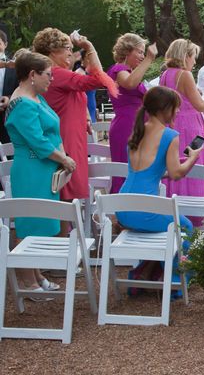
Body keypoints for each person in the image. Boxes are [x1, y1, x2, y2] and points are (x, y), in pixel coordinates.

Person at [117, 86, 204, 291]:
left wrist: (173, 163)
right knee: (186, 227)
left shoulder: (137, 131)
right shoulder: (169, 135)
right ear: (165, 109)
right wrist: (193, 158)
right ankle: (175, 282)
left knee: (164, 233)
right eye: (176, 108)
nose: (178, 112)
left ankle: (145, 272)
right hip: (145, 210)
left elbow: (146, 173)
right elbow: (176, 174)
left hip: (122, 207)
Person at [5, 50, 76, 294]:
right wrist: (64, 159)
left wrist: (62, 153)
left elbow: (52, 130)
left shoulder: (36, 97)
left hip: (44, 169)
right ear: (32, 74)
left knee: (41, 223)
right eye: (48, 74)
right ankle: (28, 279)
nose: (51, 79)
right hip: (31, 170)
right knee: (29, 224)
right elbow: (38, 141)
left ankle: (36, 274)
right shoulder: (23, 103)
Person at [34, 28, 105, 203]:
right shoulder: (57, 74)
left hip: (68, 134)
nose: (70, 52)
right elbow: (99, 80)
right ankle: (68, 228)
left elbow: (71, 99)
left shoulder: (51, 74)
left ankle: (70, 227)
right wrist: (89, 47)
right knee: (65, 192)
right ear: (52, 51)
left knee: (62, 193)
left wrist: (84, 116)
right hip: (66, 139)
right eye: (66, 47)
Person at [159, 39, 204, 206]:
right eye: (193, 56)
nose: (195, 61)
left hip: (171, 124)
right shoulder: (185, 74)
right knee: (192, 162)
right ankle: (194, 207)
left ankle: (173, 204)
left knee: (174, 161)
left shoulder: (165, 74)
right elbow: (200, 104)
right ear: (185, 56)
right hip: (190, 126)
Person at [107, 33, 156, 193]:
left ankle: (134, 211)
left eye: (144, 52)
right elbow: (129, 83)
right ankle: (122, 212)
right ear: (127, 50)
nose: (142, 56)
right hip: (126, 127)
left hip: (136, 126)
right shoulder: (118, 69)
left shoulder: (130, 71)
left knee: (137, 171)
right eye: (140, 52)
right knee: (125, 172)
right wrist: (149, 59)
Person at [0, 29, 17, 143]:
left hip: (8, 119)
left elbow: (23, 89)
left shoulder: (14, 66)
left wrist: (9, 99)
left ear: (5, 44)